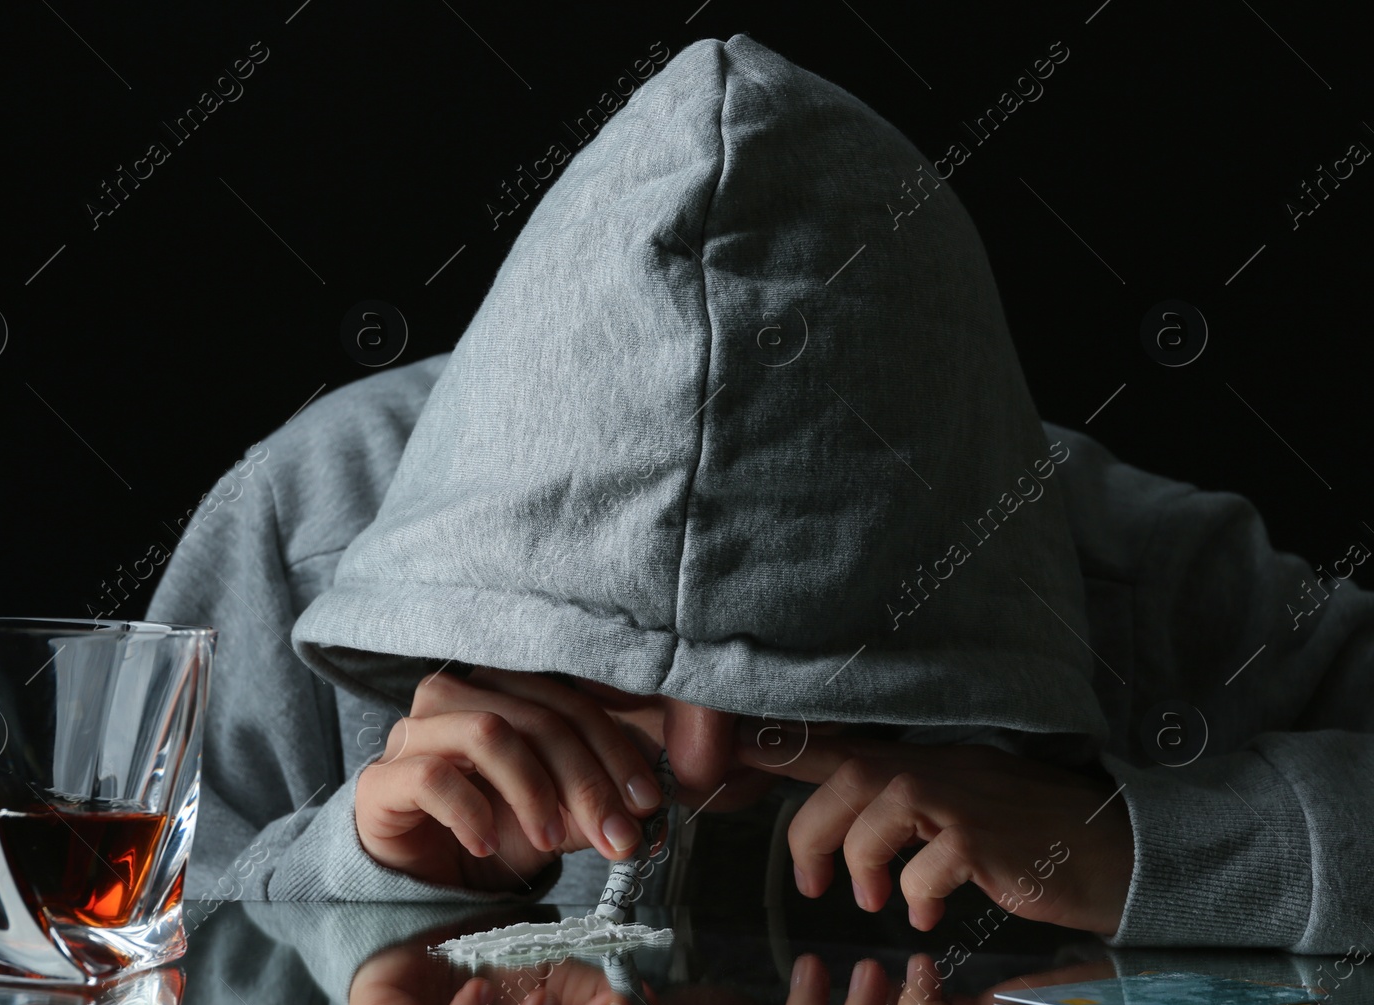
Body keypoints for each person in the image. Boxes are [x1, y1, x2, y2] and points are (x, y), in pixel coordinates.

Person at [147, 34, 1374, 956]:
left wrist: (1144, 844)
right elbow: (76, 944)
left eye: (802, 670)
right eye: (608, 660)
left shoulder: (1133, 566)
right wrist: (361, 867)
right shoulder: (305, 516)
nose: (699, 756)